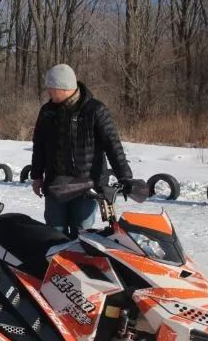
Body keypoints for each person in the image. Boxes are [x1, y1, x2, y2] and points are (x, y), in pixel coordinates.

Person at [31, 64, 133, 236]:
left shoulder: (95, 110)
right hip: (56, 185)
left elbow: (112, 144)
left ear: (63, 88)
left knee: (82, 233)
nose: (48, 92)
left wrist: (125, 176)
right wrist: (36, 176)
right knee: (54, 233)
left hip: (88, 186)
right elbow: (39, 145)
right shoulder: (47, 111)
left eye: (51, 88)